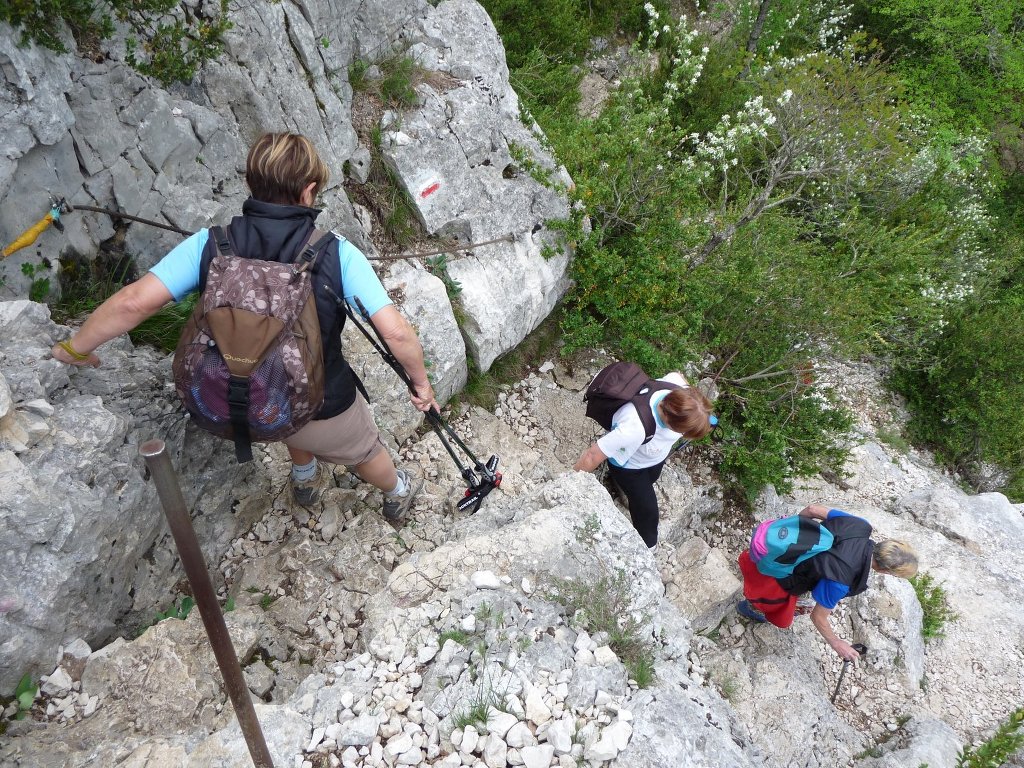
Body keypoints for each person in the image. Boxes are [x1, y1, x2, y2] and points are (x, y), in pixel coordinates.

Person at [50, 132, 437, 523]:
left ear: (251, 184)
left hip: (224, 394)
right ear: (309, 191)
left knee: (271, 378)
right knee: (364, 450)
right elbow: (396, 333)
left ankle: (304, 475)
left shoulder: (210, 244)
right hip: (318, 405)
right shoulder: (338, 253)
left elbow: (133, 303)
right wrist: (420, 382)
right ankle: (397, 490)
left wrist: (75, 348)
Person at [736, 503, 918, 660]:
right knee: (783, 620)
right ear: (885, 570)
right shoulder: (842, 580)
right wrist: (836, 643)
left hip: (767, 545)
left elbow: (812, 509)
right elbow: (818, 617)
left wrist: (794, 536)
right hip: (773, 578)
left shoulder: (860, 526)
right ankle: (749, 607)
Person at [573, 371, 715, 548]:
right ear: (671, 422)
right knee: (647, 512)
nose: (685, 436)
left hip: (653, 458)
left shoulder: (677, 388)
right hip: (629, 469)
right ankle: (648, 548)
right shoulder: (634, 428)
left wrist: (703, 417)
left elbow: (678, 375)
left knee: (653, 477)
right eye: (684, 433)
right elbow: (592, 455)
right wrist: (568, 483)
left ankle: (624, 490)